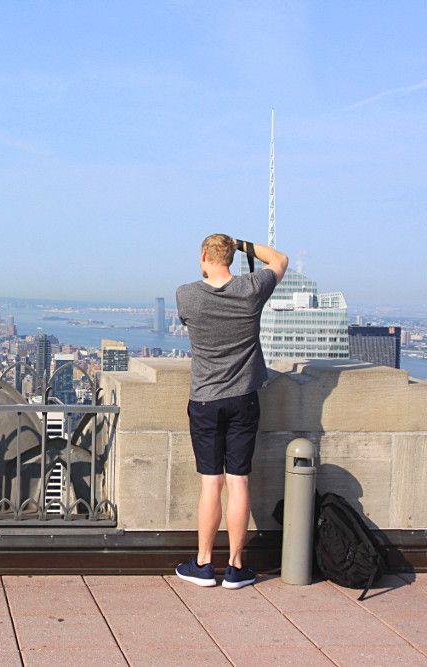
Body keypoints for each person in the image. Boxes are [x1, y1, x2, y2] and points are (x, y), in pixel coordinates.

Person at [173, 234, 288, 589]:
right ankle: (236, 567)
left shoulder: (187, 294)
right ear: (232, 257)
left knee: (212, 483)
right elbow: (280, 260)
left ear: (204, 255)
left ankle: (204, 563)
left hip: (206, 399)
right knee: (238, 482)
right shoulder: (252, 288)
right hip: (243, 399)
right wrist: (243, 244)